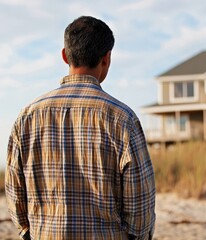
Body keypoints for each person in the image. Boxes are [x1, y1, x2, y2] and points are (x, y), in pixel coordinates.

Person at [5, 16, 156, 240]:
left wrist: (29, 233)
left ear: (65, 55)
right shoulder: (123, 119)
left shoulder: (27, 117)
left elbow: (15, 196)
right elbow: (140, 211)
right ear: (106, 58)